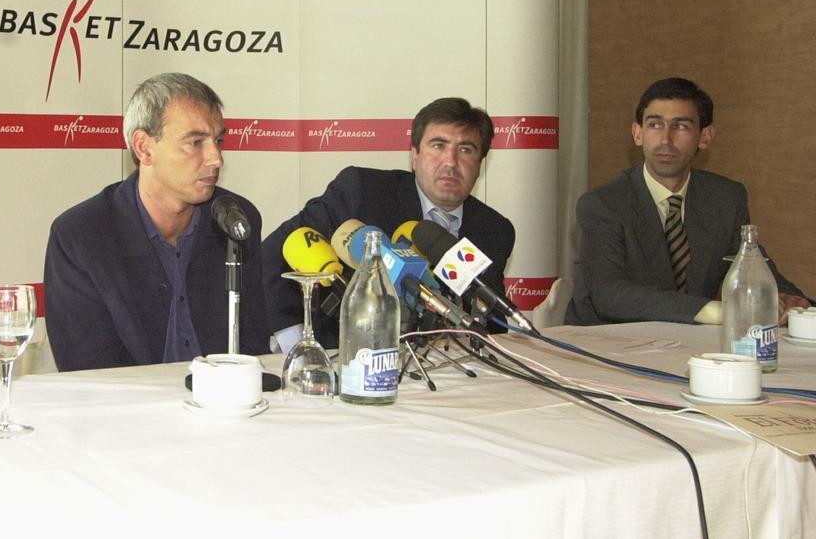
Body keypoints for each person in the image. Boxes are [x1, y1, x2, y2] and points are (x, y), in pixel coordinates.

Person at [44, 73, 270, 371]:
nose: (216, 158)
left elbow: (252, 348)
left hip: (224, 409)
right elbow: (86, 370)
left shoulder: (235, 220)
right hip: (126, 411)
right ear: (144, 148)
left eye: (218, 140)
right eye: (195, 142)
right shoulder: (81, 236)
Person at [262, 98, 516, 350]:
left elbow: (493, 322)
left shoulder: (494, 230)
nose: (450, 161)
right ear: (414, 155)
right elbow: (275, 252)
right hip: (349, 357)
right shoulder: (362, 191)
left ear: (480, 164)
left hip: (453, 372)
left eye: (465, 149)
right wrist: (297, 344)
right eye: (438, 145)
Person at [567, 77, 809, 326]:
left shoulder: (725, 198)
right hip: (604, 344)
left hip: (687, 345)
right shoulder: (602, 204)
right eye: (655, 125)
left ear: (705, 137)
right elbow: (609, 296)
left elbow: (754, 269)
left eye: (680, 126)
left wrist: (794, 302)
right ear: (637, 134)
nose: (665, 139)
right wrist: (717, 311)